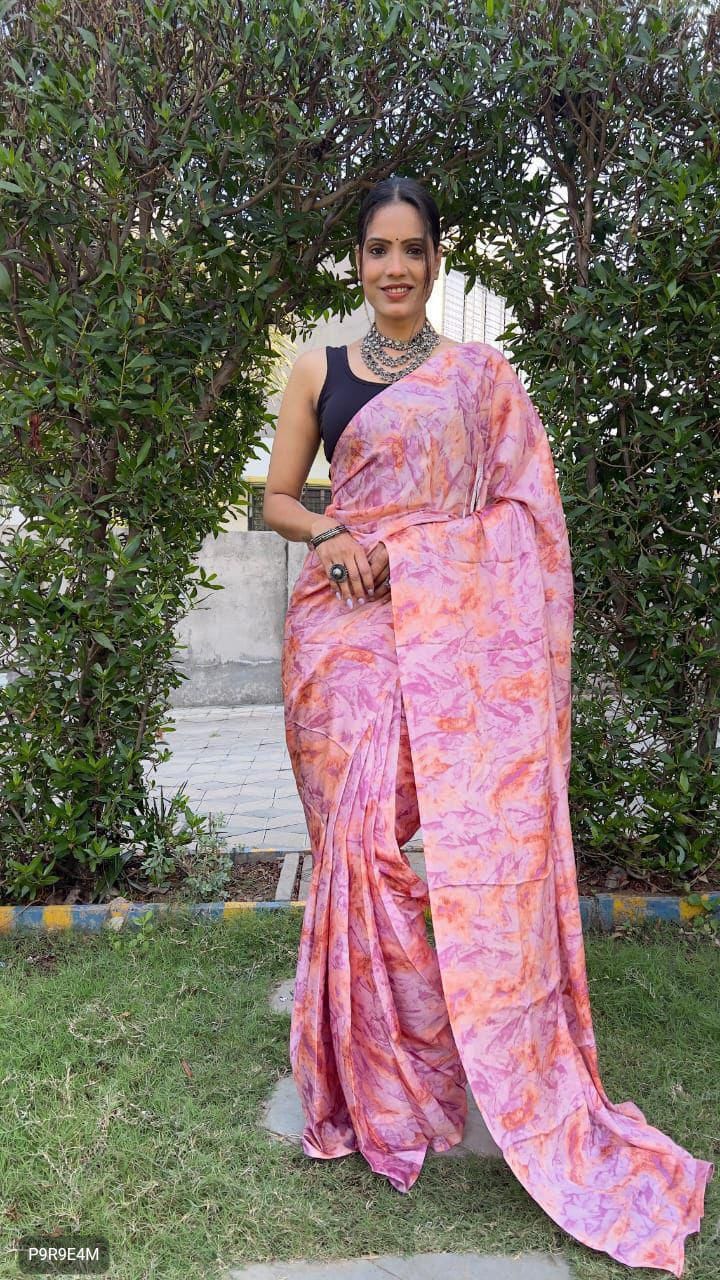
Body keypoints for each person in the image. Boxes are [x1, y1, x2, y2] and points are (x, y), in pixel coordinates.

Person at [262, 176, 713, 1276]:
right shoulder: (317, 368)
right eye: (379, 249)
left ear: (437, 260)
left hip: (451, 633)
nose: (396, 268)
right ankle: (382, 1079)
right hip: (341, 633)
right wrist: (331, 535)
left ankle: (441, 1053)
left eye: (413, 249)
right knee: (357, 844)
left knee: (426, 842)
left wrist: (422, 552)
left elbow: (522, 513)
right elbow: (276, 498)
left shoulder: (481, 377)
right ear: (357, 261)